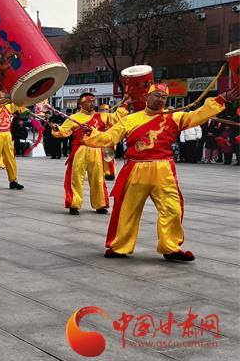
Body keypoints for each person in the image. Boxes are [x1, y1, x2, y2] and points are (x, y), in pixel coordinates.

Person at [83, 83, 238, 261]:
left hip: (164, 169)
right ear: (146, 97)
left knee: (172, 209)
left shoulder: (175, 117)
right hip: (137, 168)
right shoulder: (130, 119)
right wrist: (91, 133)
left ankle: (170, 247)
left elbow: (197, 115)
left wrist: (222, 98)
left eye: (163, 97)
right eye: (156, 95)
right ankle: (119, 246)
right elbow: (109, 137)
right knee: (128, 210)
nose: (160, 99)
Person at [51, 93, 129, 215]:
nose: (93, 104)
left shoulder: (101, 116)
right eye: (89, 101)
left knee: (98, 179)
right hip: (79, 150)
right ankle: (74, 204)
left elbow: (117, 118)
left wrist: (125, 105)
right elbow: (64, 131)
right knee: (76, 179)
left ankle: (100, 204)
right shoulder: (74, 117)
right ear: (80, 103)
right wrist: (56, 129)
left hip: (96, 150)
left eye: (93, 101)